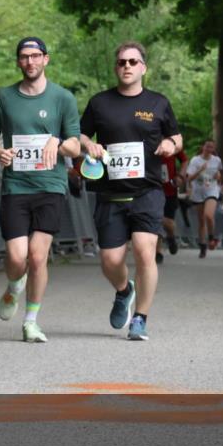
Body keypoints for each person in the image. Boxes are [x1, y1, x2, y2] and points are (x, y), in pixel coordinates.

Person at [80, 41, 182, 341]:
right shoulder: (100, 103)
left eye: (133, 62)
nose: (127, 66)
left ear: (143, 67)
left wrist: (170, 145)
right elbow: (81, 134)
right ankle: (124, 291)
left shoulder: (158, 103)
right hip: (110, 193)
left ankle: (140, 317)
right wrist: (89, 145)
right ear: (116, 67)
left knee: (144, 251)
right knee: (110, 261)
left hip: (147, 192)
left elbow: (177, 138)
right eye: (122, 62)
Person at [0, 37, 81, 344]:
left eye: (36, 56)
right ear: (18, 62)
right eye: (24, 57)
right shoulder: (4, 97)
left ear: (46, 59)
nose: (30, 61)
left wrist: (58, 141)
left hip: (50, 186)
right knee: (17, 257)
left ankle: (31, 321)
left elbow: (76, 144)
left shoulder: (62, 98)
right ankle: (14, 285)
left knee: (38, 257)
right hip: (16, 186)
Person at [186, 139, 223, 258]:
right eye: (207, 147)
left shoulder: (216, 160)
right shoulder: (195, 160)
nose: (209, 149)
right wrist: (200, 170)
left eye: (211, 147)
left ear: (213, 149)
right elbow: (189, 179)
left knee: (208, 215)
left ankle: (212, 237)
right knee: (201, 221)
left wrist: (218, 176)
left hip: (211, 190)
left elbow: (219, 175)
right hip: (198, 191)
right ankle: (202, 246)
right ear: (203, 147)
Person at [156, 147, 188, 263]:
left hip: (169, 190)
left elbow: (184, 160)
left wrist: (180, 176)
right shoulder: (145, 138)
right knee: (155, 219)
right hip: (152, 188)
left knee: (168, 222)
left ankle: (171, 236)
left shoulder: (172, 142)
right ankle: (158, 251)